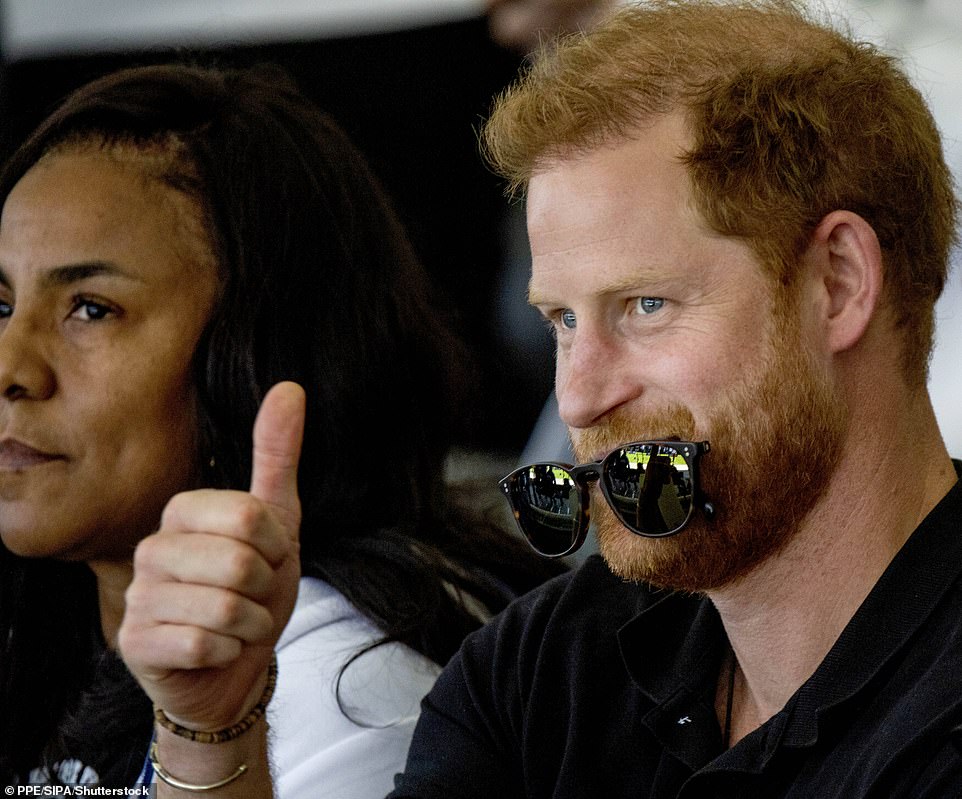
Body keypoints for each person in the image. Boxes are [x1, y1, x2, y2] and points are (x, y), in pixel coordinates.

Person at [387, 0, 962, 796]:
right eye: (561, 320)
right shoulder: (542, 669)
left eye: (645, 306)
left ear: (839, 284)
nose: (581, 397)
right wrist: (211, 737)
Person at [0, 63, 561, 796]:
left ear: (257, 356)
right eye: (1, 304)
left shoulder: (350, 685)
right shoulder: (43, 615)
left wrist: (208, 733)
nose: (12, 366)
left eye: (92, 308)